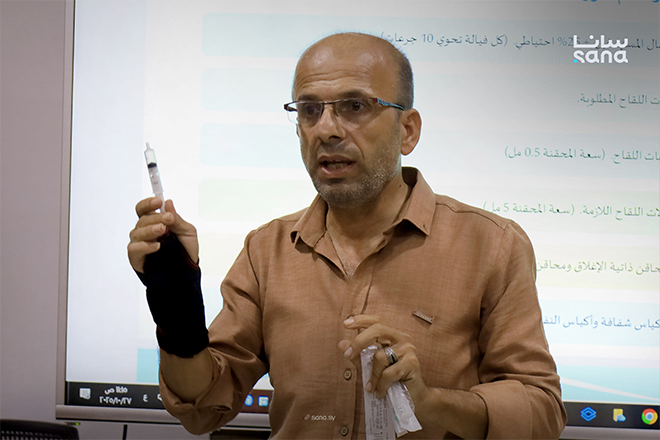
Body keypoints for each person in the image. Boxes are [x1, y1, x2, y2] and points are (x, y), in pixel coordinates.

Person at [128, 32, 566, 439]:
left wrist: (432, 403)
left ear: (408, 130)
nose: (326, 129)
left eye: (354, 106)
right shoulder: (266, 251)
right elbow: (202, 408)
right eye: (309, 110)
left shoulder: (492, 245)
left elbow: (541, 413)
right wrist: (176, 303)